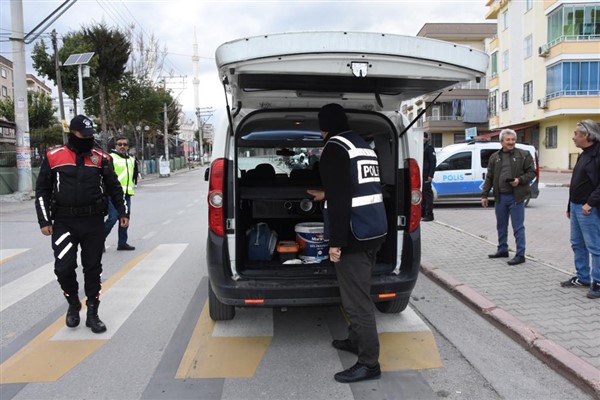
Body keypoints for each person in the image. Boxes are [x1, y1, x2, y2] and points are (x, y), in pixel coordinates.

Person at [307, 103, 387, 383]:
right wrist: (325, 195)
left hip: (353, 234)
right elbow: (353, 188)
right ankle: (355, 341)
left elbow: (342, 200)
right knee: (360, 292)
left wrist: (335, 243)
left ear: (323, 128)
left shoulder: (333, 148)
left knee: (357, 304)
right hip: (374, 229)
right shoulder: (362, 145)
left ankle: (369, 363)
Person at [35, 115, 129, 334]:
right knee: (63, 268)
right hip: (64, 223)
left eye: (90, 135)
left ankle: (93, 313)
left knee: (93, 269)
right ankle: (73, 303)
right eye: (83, 135)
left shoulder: (101, 158)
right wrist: (44, 219)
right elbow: (42, 191)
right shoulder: (54, 156)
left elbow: (115, 187)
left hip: (93, 222)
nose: (87, 139)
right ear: (73, 134)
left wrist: (123, 211)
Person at [481, 129, 536, 266]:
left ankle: (520, 254)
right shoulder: (495, 157)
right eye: (508, 140)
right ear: (501, 142)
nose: (511, 142)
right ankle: (502, 249)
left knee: (518, 227)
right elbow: (489, 177)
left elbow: (532, 173)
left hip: (516, 197)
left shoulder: (524, 155)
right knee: (501, 225)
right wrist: (484, 195)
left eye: (513, 139)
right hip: (500, 197)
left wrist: (519, 180)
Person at [560, 120, 600, 299]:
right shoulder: (582, 154)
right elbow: (577, 182)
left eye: (576, 133)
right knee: (577, 244)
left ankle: (597, 282)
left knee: (595, 246)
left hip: (588, 209)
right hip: (576, 207)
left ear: (587, 136)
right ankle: (583, 277)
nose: (573, 137)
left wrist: (589, 203)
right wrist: (570, 205)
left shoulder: (598, 154)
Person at [104, 136, 138, 251]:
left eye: (125, 144)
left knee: (125, 219)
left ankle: (122, 243)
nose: (122, 146)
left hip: (127, 194)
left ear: (128, 146)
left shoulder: (131, 159)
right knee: (112, 218)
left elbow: (133, 176)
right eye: (120, 144)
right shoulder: (110, 158)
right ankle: (98, 241)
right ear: (115, 146)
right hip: (114, 195)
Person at [422, 132, 437, 222]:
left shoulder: (429, 148)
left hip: (427, 175)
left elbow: (433, 162)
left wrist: (431, 175)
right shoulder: (421, 147)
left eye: (423, 137)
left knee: (428, 195)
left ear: (426, 139)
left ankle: (429, 214)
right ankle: (423, 212)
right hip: (422, 174)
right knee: (423, 194)